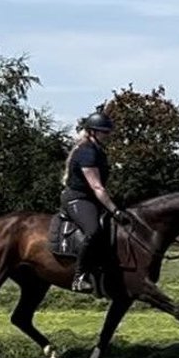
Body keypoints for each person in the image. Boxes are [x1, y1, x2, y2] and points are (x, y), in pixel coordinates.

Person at [60, 110, 132, 293]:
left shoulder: (98, 150)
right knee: (93, 230)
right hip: (78, 198)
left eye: (108, 132)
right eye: (104, 132)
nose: (108, 135)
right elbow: (97, 187)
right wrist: (115, 210)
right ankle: (79, 277)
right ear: (92, 132)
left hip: (91, 198)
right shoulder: (86, 152)